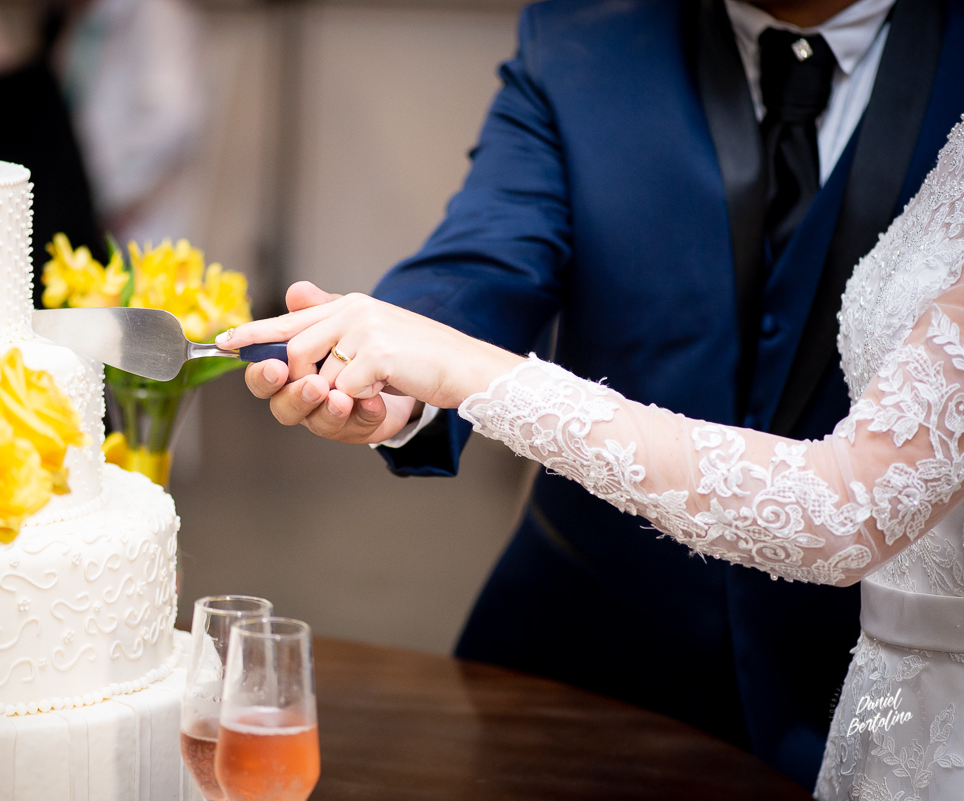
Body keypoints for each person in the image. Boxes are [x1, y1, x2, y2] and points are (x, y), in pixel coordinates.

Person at [236, 0, 964, 790]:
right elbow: (482, 256)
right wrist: (386, 377)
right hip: (578, 665)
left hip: (865, 700)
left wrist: (456, 366)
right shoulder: (584, 32)